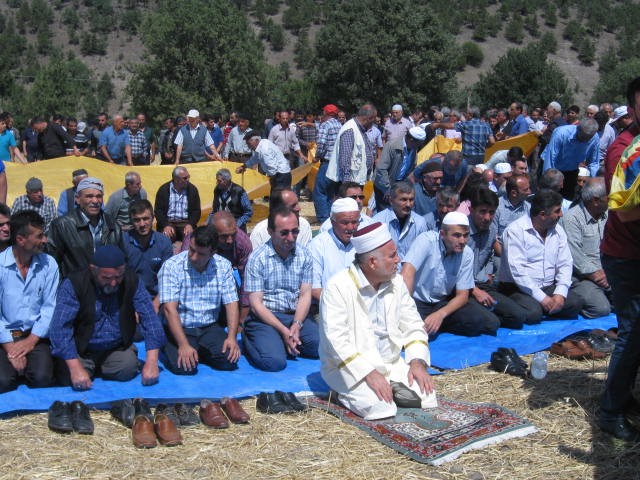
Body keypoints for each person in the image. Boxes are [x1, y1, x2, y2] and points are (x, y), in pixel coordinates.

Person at [319, 221, 437, 420]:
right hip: (349, 369)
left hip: (390, 362)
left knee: (428, 398)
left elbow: (413, 324)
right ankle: (343, 394)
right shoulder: (337, 287)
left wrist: (417, 361)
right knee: (382, 409)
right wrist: (369, 373)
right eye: (392, 256)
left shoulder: (396, 282)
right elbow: (336, 341)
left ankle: (391, 385)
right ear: (372, 262)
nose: (399, 260)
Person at [50, 245, 165, 389]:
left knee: (127, 369)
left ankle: (99, 368)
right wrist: (75, 368)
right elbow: (59, 328)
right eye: (107, 278)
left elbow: (150, 319)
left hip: (116, 348)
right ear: (93, 270)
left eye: (118, 277)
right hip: (82, 349)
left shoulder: (132, 280)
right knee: (68, 375)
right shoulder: (74, 284)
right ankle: (86, 368)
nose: (113, 283)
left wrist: (152, 362)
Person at [598, 76, 640, 441]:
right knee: (632, 330)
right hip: (626, 254)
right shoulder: (623, 149)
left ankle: (625, 395)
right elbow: (625, 211)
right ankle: (610, 410)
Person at [242, 206, 319, 371]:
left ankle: (281, 342)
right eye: (284, 233)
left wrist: (296, 325)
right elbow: (256, 304)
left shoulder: (304, 255)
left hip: (293, 316)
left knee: (319, 347)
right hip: (265, 318)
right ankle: (252, 336)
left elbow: (305, 295)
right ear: (270, 231)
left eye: (295, 232)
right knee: (274, 362)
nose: (291, 238)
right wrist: (284, 330)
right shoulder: (258, 258)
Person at [402, 212, 499, 340]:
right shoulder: (426, 241)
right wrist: (406, 309)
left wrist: (440, 315)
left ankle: (434, 324)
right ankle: (428, 324)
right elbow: (407, 273)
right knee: (412, 334)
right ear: (442, 234)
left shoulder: (467, 253)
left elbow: (463, 295)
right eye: (457, 235)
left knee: (484, 322)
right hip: (416, 301)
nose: (462, 241)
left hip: (442, 302)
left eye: (466, 236)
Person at [158, 226, 241, 374]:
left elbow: (231, 303)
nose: (194, 257)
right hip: (181, 326)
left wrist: (231, 337)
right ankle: (175, 346)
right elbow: (169, 310)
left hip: (209, 326)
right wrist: (183, 345)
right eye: (192, 250)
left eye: (201, 254)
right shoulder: (171, 266)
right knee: (184, 367)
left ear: (213, 252)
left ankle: (199, 350)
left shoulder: (223, 266)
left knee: (230, 359)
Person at [498, 189, 583, 324]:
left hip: (548, 286)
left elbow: (565, 263)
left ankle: (547, 307)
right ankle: (540, 308)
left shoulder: (558, 231)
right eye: (557, 211)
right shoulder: (515, 231)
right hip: (518, 288)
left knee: (575, 303)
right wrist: (542, 298)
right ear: (543, 215)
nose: (561, 214)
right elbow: (518, 273)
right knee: (533, 313)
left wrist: (560, 293)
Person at [0, 211, 59, 393]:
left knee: (41, 378)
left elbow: (50, 307)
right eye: (39, 236)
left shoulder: (49, 264)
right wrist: (11, 348)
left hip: (35, 334)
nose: (45, 240)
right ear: (20, 240)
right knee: (3, 382)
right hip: (5, 336)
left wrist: (31, 341)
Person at [467, 188, 528, 329]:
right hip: (461, 289)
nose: (487, 218)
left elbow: (488, 256)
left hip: (482, 285)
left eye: (491, 212)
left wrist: (487, 272)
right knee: (491, 323)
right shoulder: (460, 233)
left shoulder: (491, 231)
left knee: (518, 316)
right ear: (471, 210)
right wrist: (474, 291)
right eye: (482, 212)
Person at [48, 177, 123, 278]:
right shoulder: (62, 226)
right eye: (89, 196)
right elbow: (52, 263)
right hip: (75, 288)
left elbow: (122, 261)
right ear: (78, 199)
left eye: (99, 196)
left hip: (108, 287)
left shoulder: (113, 225)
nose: (95, 201)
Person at [561, 178, 611, 318]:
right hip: (582, 276)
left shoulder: (608, 214)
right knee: (601, 309)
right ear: (595, 200)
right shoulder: (572, 219)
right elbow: (575, 256)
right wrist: (596, 274)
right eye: (608, 197)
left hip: (608, 271)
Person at [122, 200, 173, 312]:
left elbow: (168, 279)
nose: (142, 224)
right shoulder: (122, 242)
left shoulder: (164, 242)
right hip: (130, 298)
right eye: (137, 220)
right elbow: (120, 279)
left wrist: (156, 304)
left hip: (158, 298)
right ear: (131, 221)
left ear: (153, 218)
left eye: (145, 219)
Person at [308, 198, 359, 301]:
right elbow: (315, 289)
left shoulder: (363, 242)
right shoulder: (318, 245)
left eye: (354, 222)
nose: (350, 228)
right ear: (332, 222)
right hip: (328, 306)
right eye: (345, 223)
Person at [209, 212, 253, 323]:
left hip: (228, 284)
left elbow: (247, 281)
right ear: (212, 233)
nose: (230, 240)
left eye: (233, 235)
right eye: (223, 236)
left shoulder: (243, 242)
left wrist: (241, 320)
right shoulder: (197, 241)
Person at [541, 119, 600, 200]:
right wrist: (549, 183)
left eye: (588, 138)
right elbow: (550, 160)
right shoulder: (561, 133)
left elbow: (593, 163)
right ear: (578, 128)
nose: (584, 140)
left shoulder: (594, 137)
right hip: (553, 168)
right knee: (548, 198)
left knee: (568, 200)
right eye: (583, 136)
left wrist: (595, 183)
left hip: (571, 170)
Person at [374, 127, 426, 211]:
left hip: (398, 184)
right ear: (411, 140)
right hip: (384, 185)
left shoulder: (413, 148)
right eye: (418, 143)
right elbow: (381, 169)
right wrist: (387, 189)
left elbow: (410, 168)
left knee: (398, 211)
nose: (419, 146)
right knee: (386, 213)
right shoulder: (392, 145)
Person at [326, 103, 377, 187]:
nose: (374, 123)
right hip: (350, 183)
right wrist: (347, 185)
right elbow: (345, 159)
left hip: (356, 180)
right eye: (373, 120)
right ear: (369, 118)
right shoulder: (350, 129)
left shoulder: (360, 129)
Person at [373, 181, 428, 259]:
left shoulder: (420, 222)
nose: (408, 204)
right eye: (403, 200)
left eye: (411, 200)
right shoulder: (379, 221)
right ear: (391, 201)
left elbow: (422, 252)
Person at [429, 106, 495, 165]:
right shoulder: (486, 125)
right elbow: (492, 141)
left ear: (471, 115)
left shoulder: (466, 124)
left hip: (468, 158)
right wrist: (483, 146)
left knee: (466, 176)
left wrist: (437, 125)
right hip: (481, 157)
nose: (466, 115)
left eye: (467, 113)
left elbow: (450, 126)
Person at [154, 166, 201, 244]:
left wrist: (190, 224)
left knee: (190, 239)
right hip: (168, 221)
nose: (188, 180)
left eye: (188, 177)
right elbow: (158, 211)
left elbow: (196, 211)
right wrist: (165, 225)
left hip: (185, 222)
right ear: (176, 179)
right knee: (165, 238)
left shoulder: (192, 190)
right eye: (185, 178)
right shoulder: (163, 189)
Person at [313, 104, 343, 224]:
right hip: (338, 163)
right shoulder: (339, 125)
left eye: (323, 112)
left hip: (327, 163)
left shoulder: (325, 125)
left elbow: (321, 143)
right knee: (330, 192)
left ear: (327, 113)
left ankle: (323, 219)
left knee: (319, 191)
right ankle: (331, 217)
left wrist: (317, 156)